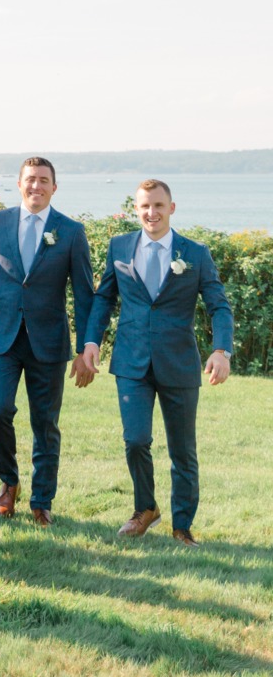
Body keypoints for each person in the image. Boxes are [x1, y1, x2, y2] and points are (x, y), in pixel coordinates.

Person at [84, 179, 233, 544]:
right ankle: (145, 508)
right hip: (131, 361)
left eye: (158, 206)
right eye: (144, 206)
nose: (151, 213)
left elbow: (219, 305)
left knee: (183, 449)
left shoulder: (195, 253)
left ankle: (182, 526)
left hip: (179, 362)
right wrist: (91, 340)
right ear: (136, 209)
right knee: (135, 440)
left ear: (172, 208)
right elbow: (104, 298)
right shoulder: (119, 246)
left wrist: (221, 350)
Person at [0, 156, 94, 525]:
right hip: (0, 338)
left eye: (43, 180)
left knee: (45, 423)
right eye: (30, 180)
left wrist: (86, 348)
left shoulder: (70, 231)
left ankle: (42, 500)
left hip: (48, 342)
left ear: (54, 187)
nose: (35, 186)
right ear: (19, 184)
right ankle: (9, 483)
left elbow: (84, 294)